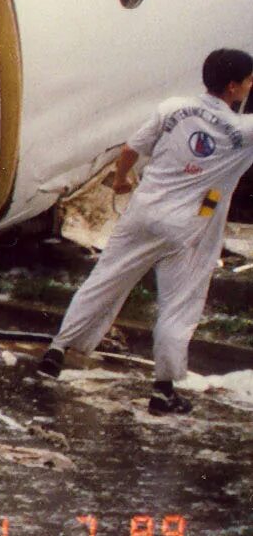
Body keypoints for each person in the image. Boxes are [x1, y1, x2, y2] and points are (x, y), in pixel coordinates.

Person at [35, 49, 253, 415]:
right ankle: (163, 390)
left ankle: (57, 350)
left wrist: (120, 181)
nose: (250, 87)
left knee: (104, 281)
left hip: (143, 212)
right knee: (178, 305)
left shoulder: (172, 108)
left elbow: (130, 149)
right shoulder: (245, 131)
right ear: (233, 87)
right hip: (190, 227)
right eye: (248, 81)